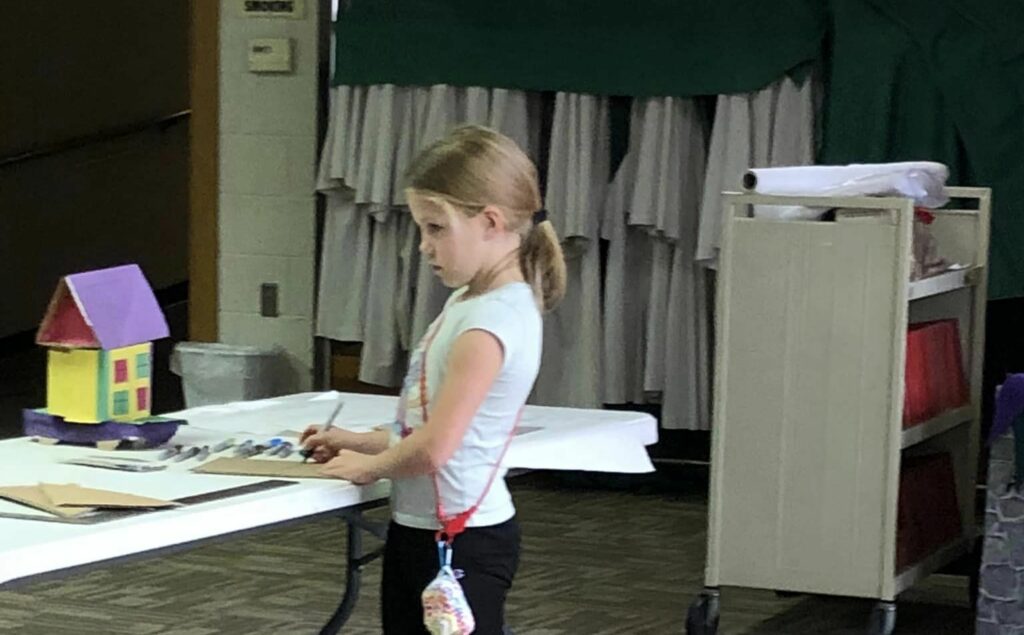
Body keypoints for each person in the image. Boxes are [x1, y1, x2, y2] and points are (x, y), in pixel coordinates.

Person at [300, 124, 567, 634]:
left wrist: (369, 467)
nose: (424, 246)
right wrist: (354, 440)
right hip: (423, 531)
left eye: (436, 228)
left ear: (490, 221)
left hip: (461, 538)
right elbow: (431, 428)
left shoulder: (491, 322)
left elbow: (436, 449)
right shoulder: (470, 302)